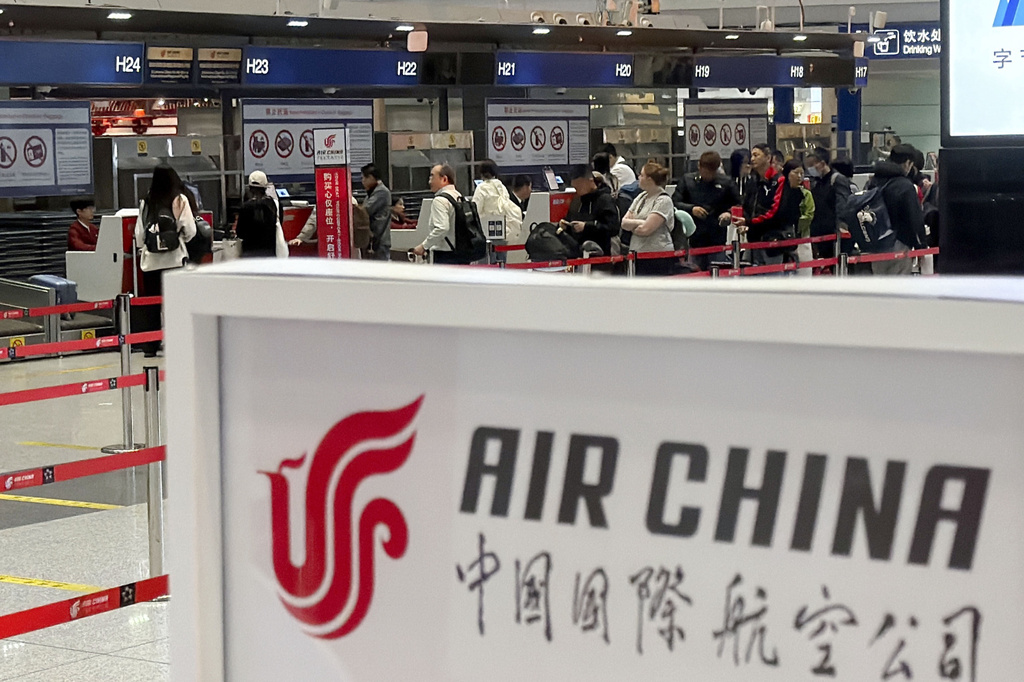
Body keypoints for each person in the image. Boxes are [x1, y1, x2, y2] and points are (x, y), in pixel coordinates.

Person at [135, 165, 197, 357]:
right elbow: (190, 229)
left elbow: (139, 233)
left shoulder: (147, 201)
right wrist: (178, 240)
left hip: (151, 262)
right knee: (175, 303)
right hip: (174, 260)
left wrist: (146, 247)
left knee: (152, 305)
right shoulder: (179, 199)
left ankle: (150, 347)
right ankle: (177, 343)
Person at [672, 151, 740, 270]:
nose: (708, 175)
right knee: (695, 275)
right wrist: (691, 209)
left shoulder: (726, 183)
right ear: (699, 166)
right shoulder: (687, 181)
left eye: (711, 172)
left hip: (717, 237)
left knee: (718, 275)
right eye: (705, 171)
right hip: (694, 238)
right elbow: (674, 202)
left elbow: (739, 204)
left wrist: (729, 213)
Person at [868, 143, 927, 275]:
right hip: (899, 242)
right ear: (907, 163)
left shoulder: (874, 181)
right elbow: (914, 217)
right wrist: (921, 244)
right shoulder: (904, 185)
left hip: (876, 242)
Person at [739, 153, 804, 267]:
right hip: (756, 237)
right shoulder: (756, 183)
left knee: (774, 275)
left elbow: (778, 214)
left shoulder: (792, 191)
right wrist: (748, 222)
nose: (799, 176)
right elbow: (749, 206)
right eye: (796, 172)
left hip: (777, 239)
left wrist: (750, 222)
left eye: (801, 173)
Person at [621, 161, 676, 276]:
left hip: (657, 257)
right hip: (637, 254)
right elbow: (624, 223)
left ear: (649, 180)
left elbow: (645, 230)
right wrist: (641, 222)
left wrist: (634, 225)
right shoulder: (641, 197)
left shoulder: (663, 200)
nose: (638, 177)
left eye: (641, 175)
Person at [805, 147, 852, 260]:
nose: (810, 169)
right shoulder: (817, 182)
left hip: (834, 238)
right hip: (820, 236)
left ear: (822, 163)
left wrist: (840, 229)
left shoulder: (837, 180)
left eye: (812, 164)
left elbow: (842, 206)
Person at [564, 163, 620, 257]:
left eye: (579, 187)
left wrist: (587, 226)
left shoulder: (604, 200)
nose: (576, 191)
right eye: (574, 188)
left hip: (602, 253)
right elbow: (570, 219)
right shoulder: (577, 201)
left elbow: (613, 228)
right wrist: (566, 225)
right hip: (578, 252)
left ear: (590, 181)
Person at [413, 163, 465, 263]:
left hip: (446, 255)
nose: (429, 181)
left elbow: (442, 228)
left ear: (444, 179)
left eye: (432, 177)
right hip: (461, 252)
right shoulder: (459, 197)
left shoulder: (440, 200)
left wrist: (424, 246)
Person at [237, 171, 288, 258]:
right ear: (265, 187)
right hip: (270, 254)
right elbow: (279, 224)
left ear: (249, 188)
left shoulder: (245, 207)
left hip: (249, 254)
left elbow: (240, 233)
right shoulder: (276, 204)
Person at [472, 159, 522, 242]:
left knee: (490, 253)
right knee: (501, 253)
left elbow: (476, 209)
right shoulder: (502, 187)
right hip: (504, 229)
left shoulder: (481, 188)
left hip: (488, 230)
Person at [361, 163, 392, 260]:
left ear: (370, 177)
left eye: (364, 178)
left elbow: (366, 210)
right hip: (374, 240)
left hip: (380, 240)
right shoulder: (372, 192)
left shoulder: (381, 192)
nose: (362, 181)